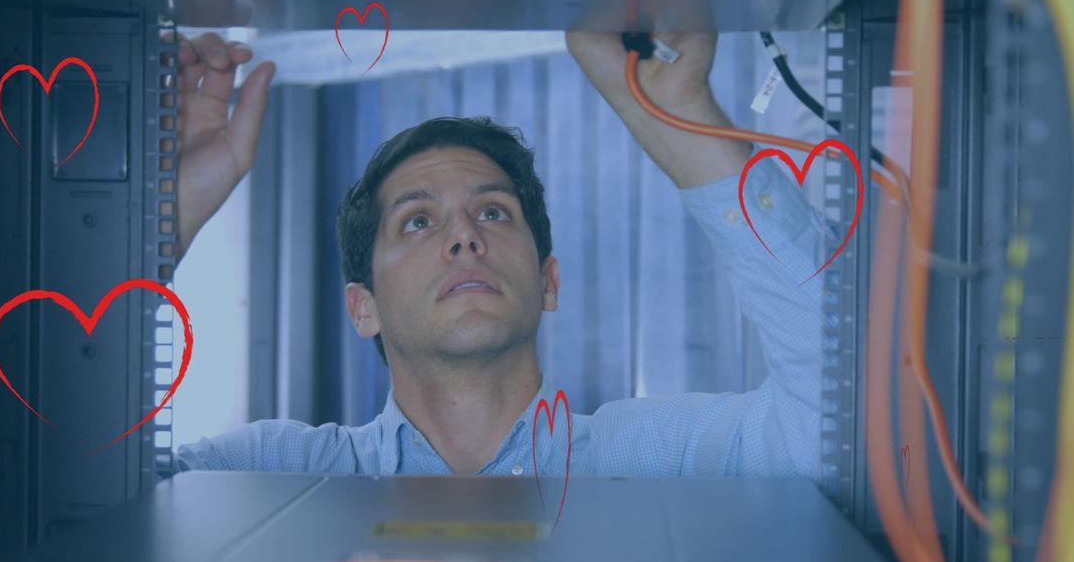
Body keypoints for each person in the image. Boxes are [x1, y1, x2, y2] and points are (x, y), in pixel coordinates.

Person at [170, 30, 829, 479]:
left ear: (548, 281)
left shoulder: (656, 457)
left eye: (492, 212)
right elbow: (83, 493)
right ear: (361, 306)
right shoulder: (270, 473)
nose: (465, 238)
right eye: (418, 221)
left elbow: (840, 425)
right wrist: (165, 225)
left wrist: (682, 114)